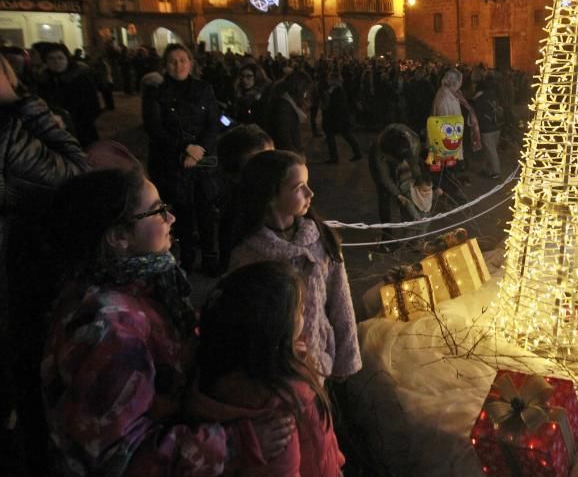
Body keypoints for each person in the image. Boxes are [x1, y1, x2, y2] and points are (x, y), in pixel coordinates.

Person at [41, 169, 294, 476]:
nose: (171, 218)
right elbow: (124, 461)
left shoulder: (141, 288)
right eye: (158, 210)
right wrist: (235, 444)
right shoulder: (109, 331)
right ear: (119, 237)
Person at [0, 54, 89, 476]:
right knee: (28, 381)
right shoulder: (8, 129)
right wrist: (27, 106)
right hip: (17, 276)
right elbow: (76, 172)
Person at [189, 261, 345, 476]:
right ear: (274, 328)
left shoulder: (221, 368)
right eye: (298, 310)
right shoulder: (278, 409)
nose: (304, 315)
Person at [229, 150, 361, 381]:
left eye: (307, 184)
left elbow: (341, 302)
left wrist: (346, 360)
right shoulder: (248, 255)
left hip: (321, 362)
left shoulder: (320, 238)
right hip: (276, 377)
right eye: (298, 187)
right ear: (270, 196)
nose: (310, 193)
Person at [142, 43, 221, 271]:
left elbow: (214, 122)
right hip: (173, 161)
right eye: (173, 61)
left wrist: (199, 150)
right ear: (165, 65)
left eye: (183, 60)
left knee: (207, 210)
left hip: (203, 160)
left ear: (191, 62)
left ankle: (210, 255)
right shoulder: (156, 91)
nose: (179, 65)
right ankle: (186, 256)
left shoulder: (203, 88)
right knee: (182, 211)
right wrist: (185, 148)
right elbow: (154, 127)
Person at [215, 124, 275, 274]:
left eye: (272, 159)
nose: (273, 168)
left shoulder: (276, 196)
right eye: (259, 164)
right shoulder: (236, 214)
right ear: (234, 174)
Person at [36, 43, 102, 146]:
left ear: (67, 58)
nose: (56, 62)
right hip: (54, 131)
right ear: (46, 61)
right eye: (51, 58)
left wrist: (72, 122)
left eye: (60, 58)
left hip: (82, 130)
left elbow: (93, 107)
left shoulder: (81, 78)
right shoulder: (43, 81)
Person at [368, 123, 425, 224]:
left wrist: (419, 180)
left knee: (408, 186)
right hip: (382, 157)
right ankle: (386, 230)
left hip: (402, 151)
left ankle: (407, 221)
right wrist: (398, 195)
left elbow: (414, 164)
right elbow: (384, 177)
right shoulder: (379, 151)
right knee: (384, 193)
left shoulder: (414, 142)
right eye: (397, 161)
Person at [263, 71, 313, 156]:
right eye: (305, 90)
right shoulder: (284, 106)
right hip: (287, 157)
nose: (306, 94)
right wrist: (295, 156)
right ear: (299, 89)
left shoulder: (287, 103)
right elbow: (283, 137)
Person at [320, 66, 362, 164]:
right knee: (345, 136)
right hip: (338, 118)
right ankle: (356, 153)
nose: (328, 80)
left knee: (338, 136)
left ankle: (335, 158)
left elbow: (336, 105)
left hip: (338, 118)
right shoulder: (335, 89)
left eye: (330, 78)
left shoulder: (337, 90)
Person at [471, 73, 504, 179]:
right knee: (489, 148)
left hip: (487, 128)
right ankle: (486, 168)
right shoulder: (493, 95)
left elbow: (476, 113)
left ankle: (496, 171)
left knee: (491, 150)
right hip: (496, 126)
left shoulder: (479, 99)